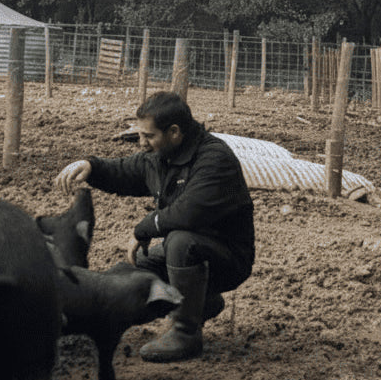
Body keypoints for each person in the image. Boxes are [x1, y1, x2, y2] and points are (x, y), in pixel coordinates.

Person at [55, 91, 254, 362]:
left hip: (228, 259)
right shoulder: (163, 156)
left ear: (174, 132)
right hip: (189, 254)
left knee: (181, 241)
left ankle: (186, 332)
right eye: (140, 135)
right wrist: (91, 167)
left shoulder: (214, 160)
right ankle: (202, 301)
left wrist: (143, 229)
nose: (142, 143)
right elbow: (126, 170)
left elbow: (187, 213)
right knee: (138, 265)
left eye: (149, 136)